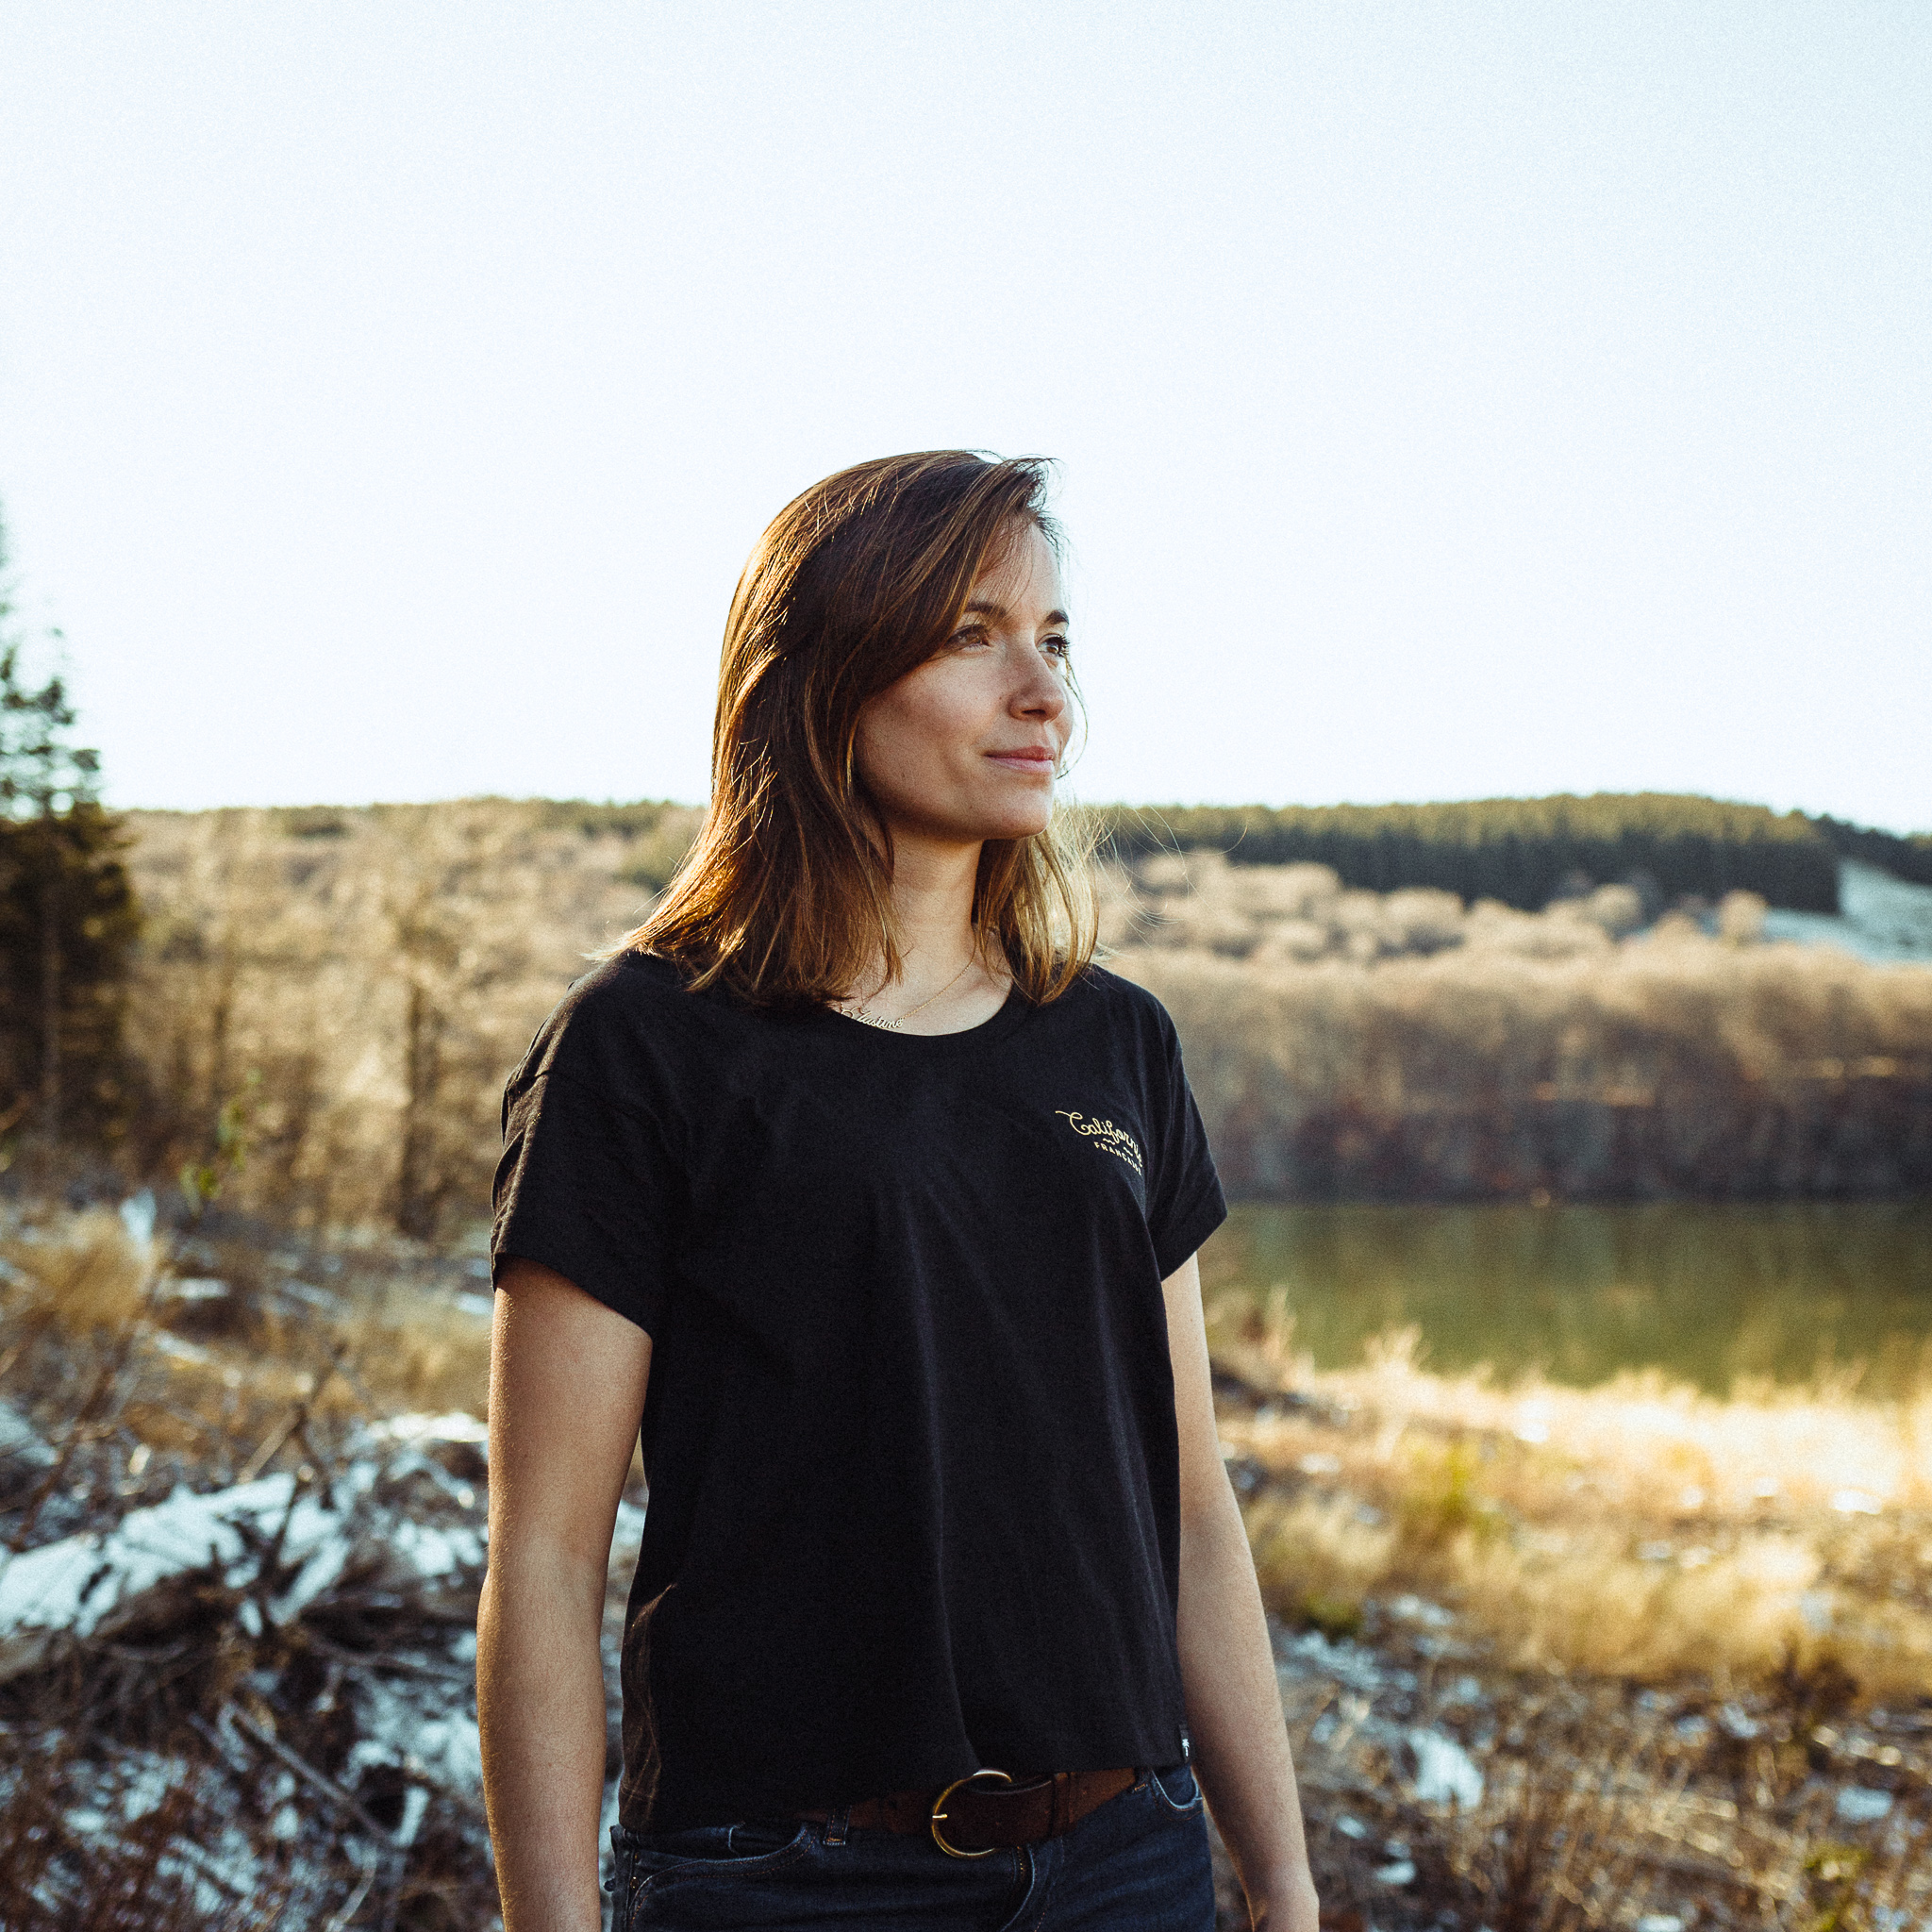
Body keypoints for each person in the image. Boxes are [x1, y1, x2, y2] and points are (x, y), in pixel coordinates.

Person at [478, 451, 1320, 1932]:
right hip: (786, 1878)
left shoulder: (1116, 1042)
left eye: (1054, 640)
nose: (1043, 693)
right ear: (822, 681)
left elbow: (1190, 1506)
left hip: (1125, 1865)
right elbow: (545, 1559)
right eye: (972, 636)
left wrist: (1288, 1881)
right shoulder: (647, 1044)